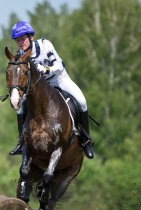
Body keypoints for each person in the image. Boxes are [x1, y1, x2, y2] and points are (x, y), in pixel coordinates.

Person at [8, 21, 94, 159]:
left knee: (82, 101)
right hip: (40, 87)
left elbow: (59, 66)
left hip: (59, 79)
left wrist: (44, 70)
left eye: (22, 38)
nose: (20, 42)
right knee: (21, 108)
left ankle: (86, 140)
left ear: (31, 37)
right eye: (17, 40)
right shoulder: (20, 55)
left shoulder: (44, 45)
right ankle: (21, 142)